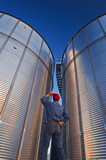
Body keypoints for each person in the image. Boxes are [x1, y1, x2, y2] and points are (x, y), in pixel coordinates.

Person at [39, 92, 70, 160]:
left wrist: (50, 94)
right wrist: (62, 122)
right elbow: (67, 117)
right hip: (58, 126)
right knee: (59, 147)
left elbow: (42, 99)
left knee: (44, 146)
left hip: (49, 125)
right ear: (58, 99)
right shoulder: (62, 107)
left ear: (53, 99)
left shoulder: (49, 104)